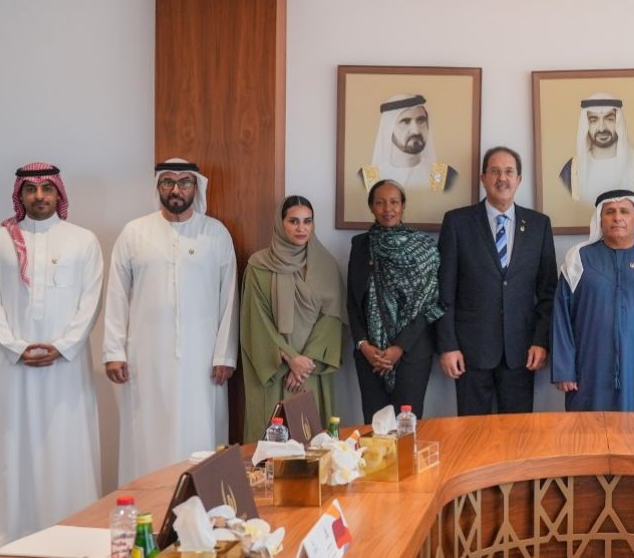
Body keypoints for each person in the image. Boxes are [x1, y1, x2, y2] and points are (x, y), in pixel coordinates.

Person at [0, 163, 102, 547]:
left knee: (66, 442)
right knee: (12, 442)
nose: (40, 196)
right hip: (14, 364)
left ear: (60, 193)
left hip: (67, 366)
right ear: (20, 194)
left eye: (48, 188)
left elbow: (90, 300)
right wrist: (15, 347)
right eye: (31, 189)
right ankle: (3, 531)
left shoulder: (83, 241)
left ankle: (74, 528)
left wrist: (63, 346)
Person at [104, 158, 238, 485]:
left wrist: (224, 355)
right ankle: (145, 500)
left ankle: (200, 502)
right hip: (146, 356)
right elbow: (117, 294)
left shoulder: (216, 234)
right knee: (146, 433)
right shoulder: (134, 233)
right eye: (168, 182)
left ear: (196, 187)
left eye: (184, 182)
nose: (176, 189)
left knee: (199, 431)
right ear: (158, 187)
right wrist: (113, 351)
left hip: (202, 358)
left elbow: (230, 297)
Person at [437, 147, 557, 415]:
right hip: (469, 351)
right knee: (471, 432)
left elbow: (548, 292)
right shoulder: (457, 222)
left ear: (519, 179)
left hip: (521, 351)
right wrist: (448, 346)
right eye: (495, 171)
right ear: (483, 178)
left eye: (509, 171)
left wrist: (541, 341)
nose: (502, 178)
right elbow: (444, 292)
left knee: (518, 433)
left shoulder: (539, 225)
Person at [552, 189, 634, 411]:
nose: (617, 217)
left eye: (624, 211)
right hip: (590, 371)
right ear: (600, 219)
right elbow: (561, 317)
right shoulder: (578, 261)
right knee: (589, 429)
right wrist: (564, 370)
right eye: (610, 212)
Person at [241, 196, 346, 442]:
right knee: (272, 441)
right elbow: (256, 321)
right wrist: (291, 359)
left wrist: (305, 363)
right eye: (293, 221)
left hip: (312, 369)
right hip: (274, 368)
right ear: (280, 224)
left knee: (312, 439)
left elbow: (332, 318)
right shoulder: (259, 266)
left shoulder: (326, 266)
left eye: (307, 221)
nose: (301, 228)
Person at [349, 180, 443, 419]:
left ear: (403, 206)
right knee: (374, 428)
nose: (387, 209)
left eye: (394, 202)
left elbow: (431, 304)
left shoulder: (424, 248)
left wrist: (399, 346)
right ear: (371, 207)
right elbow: (353, 300)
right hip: (371, 356)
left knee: (406, 428)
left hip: (412, 353)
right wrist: (363, 345)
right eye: (380, 203)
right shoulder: (361, 245)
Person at [559, 93, 634, 205]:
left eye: (609, 119)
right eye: (593, 120)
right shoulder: (570, 171)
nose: (601, 128)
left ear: (619, 123)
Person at [364, 93, 457, 193]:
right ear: (388, 130)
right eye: (405, 122)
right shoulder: (369, 177)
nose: (416, 131)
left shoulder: (445, 175)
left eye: (421, 121)